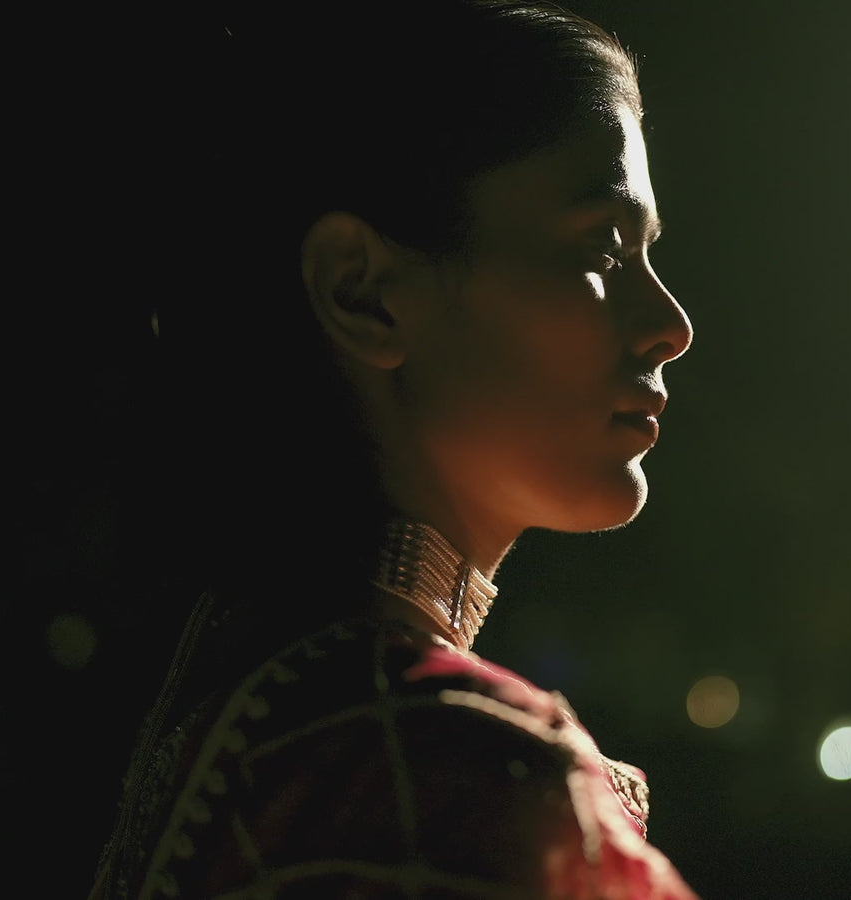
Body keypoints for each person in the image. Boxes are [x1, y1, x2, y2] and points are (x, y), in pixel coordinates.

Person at [89, 1, 700, 896]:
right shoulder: (448, 773)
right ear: (361, 291)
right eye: (604, 249)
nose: (672, 327)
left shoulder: (237, 725)